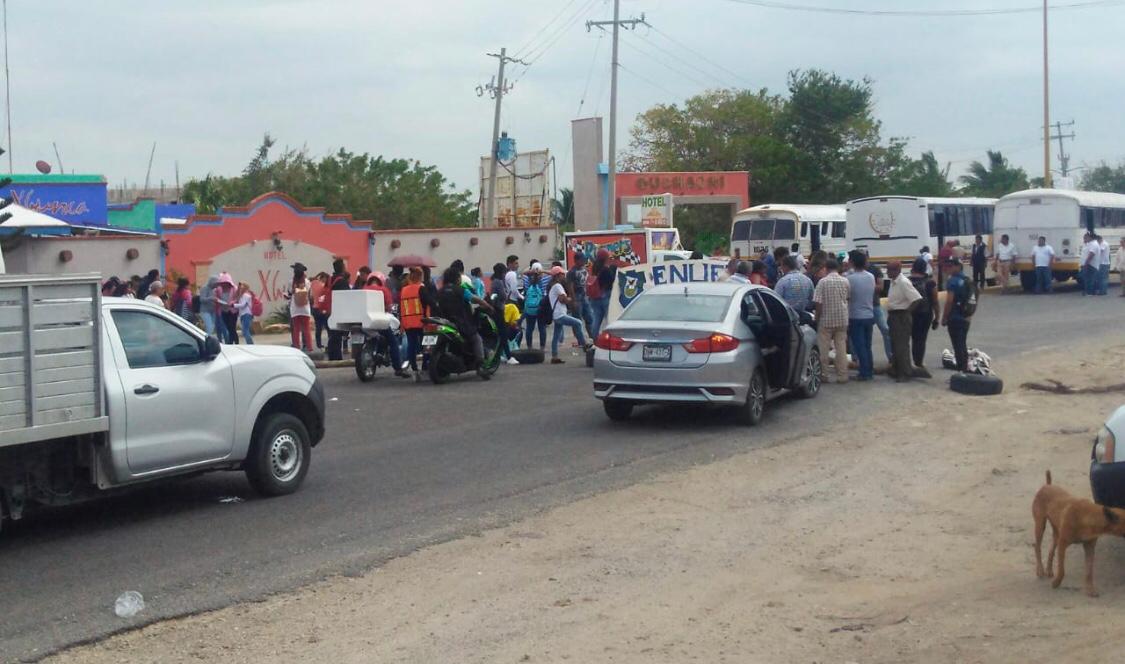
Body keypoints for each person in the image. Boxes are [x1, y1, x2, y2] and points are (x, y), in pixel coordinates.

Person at [435, 266, 492, 367]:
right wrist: (487, 305)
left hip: (444, 321)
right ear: (457, 278)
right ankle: (481, 363)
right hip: (460, 322)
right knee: (476, 338)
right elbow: (474, 299)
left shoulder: (440, 291)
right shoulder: (460, 290)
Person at [364, 273, 410, 378]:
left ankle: (379, 353)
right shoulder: (384, 290)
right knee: (393, 342)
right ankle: (398, 368)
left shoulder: (364, 289)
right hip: (379, 322)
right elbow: (389, 306)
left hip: (364, 323)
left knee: (378, 337)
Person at [812, 258, 850, 384]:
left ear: (826, 268)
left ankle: (824, 375)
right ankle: (842, 375)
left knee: (823, 348)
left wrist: (817, 316)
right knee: (841, 348)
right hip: (842, 318)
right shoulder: (845, 281)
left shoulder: (822, 282)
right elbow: (847, 297)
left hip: (826, 319)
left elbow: (818, 302)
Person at [885, 260, 922, 382]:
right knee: (895, 345)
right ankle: (896, 369)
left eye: (890, 270)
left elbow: (916, 299)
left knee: (901, 346)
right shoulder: (894, 282)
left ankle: (905, 373)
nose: (887, 272)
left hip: (901, 315)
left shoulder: (903, 282)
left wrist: (907, 312)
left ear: (897, 270)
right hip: (894, 315)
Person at [548, 266, 590, 364]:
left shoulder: (552, 286)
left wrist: (564, 299)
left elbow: (561, 299)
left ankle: (554, 357)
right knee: (578, 323)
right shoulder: (558, 286)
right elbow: (564, 299)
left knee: (556, 336)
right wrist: (571, 299)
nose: (564, 276)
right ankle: (584, 345)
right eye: (563, 274)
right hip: (560, 314)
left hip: (556, 314)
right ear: (558, 275)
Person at [845, 251, 876, 381]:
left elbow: (847, 297)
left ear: (852, 262)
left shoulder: (849, 279)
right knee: (867, 345)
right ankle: (869, 370)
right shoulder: (870, 277)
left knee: (859, 346)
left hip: (855, 316)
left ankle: (864, 373)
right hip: (869, 314)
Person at [940, 257, 974, 373]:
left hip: (955, 317)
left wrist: (944, 317)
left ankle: (962, 371)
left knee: (957, 345)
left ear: (958, 266)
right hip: (966, 317)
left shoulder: (953, 281)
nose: (949, 268)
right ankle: (965, 369)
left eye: (951, 266)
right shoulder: (967, 280)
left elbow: (949, 301)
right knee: (962, 344)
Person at [908, 258, 939, 376]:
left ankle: (906, 363)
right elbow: (935, 301)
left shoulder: (907, 281)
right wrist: (937, 318)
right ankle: (918, 363)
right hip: (925, 314)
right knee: (920, 340)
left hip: (909, 313)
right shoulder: (930, 282)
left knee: (909, 338)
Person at [399, 267, 428, 379]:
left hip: (408, 322)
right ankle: (425, 367)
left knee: (411, 345)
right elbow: (429, 303)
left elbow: (401, 307)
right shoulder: (421, 289)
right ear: (420, 277)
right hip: (421, 322)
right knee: (426, 345)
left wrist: (402, 323)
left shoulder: (404, 290)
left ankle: (415, 369)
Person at [522, 262, 551, 349]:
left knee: (529, 328)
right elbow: (552, 273)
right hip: (541, 307)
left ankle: (529, 347)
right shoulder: (545, 280)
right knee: (542, 328)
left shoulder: (527, 280)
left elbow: (523, 273)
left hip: (530, 308)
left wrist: (531, 271)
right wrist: (543, 271)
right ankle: (542, 347)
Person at [326, 259, 351, 360]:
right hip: (338, 310)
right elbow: (347, 295)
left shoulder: (331, 279)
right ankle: (336, 357)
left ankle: (332, 355)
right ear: (342, 268)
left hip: (329, 309)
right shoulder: (341, 281)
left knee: (333, 334)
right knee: (337, 335)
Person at [286, 263, 313, 352]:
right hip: (305, 308)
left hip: (295, 308)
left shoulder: (291, 282)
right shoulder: (307, 282)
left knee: (296, 329)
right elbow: (308, 292)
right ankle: (309, 347)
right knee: (306, 329)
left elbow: (290, 292)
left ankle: (297, 347)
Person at [588, 250, 615, 338]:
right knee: (609, 318)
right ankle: (609, 337)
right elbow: (611, 282)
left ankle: (594, 338)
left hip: (594, 297)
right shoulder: (606, 269)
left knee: (596, 319)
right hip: (605, 295)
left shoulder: (593, 268)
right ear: (605, 257)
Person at [566, 252, 592, 335]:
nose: (584, 262)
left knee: (589, 317)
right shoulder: (571, 272)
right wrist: (573, 301)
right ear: (576, 260)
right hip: (576, 297)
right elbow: (570, 286)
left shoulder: (584, 269)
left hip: (584, 296)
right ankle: (580, 340)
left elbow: (587, 281)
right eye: (582, 260)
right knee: (577, 320)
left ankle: (592, 337)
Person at [215, 273, 239, 343]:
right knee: (228, 327)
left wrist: (232, 302)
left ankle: (234, 342)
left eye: (225, 282)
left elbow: (237, 298)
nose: (224, 284)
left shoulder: (234, 288)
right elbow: (216, 297)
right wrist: (217, 300)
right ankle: (231, 341)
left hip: (233, 311)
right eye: (222, 283)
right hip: (224, 310)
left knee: (232, 327)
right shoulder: (219, 289)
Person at [311, 272, 330, 349]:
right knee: (328, 327)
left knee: (318, 328)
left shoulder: (314, 283)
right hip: (323, 309)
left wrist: (317, 275)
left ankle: (319, 344)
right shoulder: (324, 286)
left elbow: (312, 279)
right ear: (323, 278)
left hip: (315, 308)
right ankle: (329, 343)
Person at [1081, 232, 1099, 296]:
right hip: (1088, 264)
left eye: (1085, 237)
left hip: (1090, 265)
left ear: (1090, 237)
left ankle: (1090, 292)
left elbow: (1091, 254)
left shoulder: (1094, 244)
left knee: (1089, 279)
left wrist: (1086, 263)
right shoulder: (1089, 244)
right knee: (1087, 279)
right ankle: (1089, 291)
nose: (1084, 238)